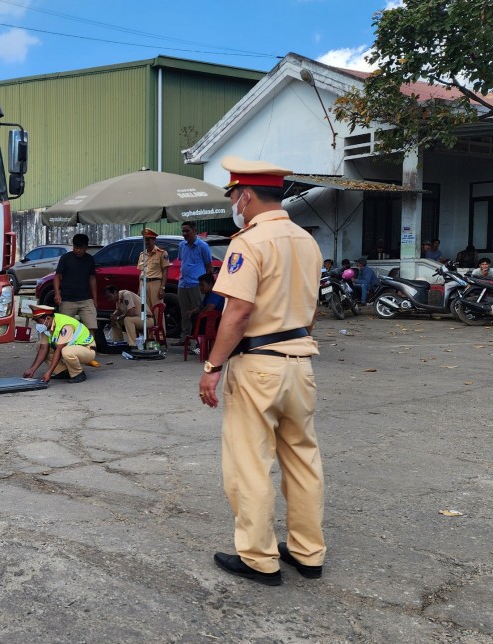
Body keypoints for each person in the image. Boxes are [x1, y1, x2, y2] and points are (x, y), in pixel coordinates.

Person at [198, 156, 325, 587]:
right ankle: (308, 553)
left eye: (234, 195)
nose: (234, 203)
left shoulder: (249, 242)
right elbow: (312, 310)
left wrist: (213, 366)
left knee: (250, 464)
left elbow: (237, 312)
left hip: (258, 366)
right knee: (302, 460)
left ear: (246, 195)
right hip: (299, 363)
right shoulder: (306, 240)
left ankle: (259, 558)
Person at [22, 304, 96, 383]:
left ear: (48, 319)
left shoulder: (65, 325)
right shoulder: (46, 326)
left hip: (87, 349)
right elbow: (43, 348)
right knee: (39, 346)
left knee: (66, 351)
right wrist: (32, 369)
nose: (38, 325)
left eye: (39, 322)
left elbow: (59, 350)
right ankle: (63, 372)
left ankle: (78, 374)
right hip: (71, 348)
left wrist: (49, 372)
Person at [172, 222, 213, 348]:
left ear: (194, 231)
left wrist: (206, 284)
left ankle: (197, 341)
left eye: (187, 231)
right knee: (185, 312)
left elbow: (208, 267)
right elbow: (183, 261)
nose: (185, 234)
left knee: (198, 312)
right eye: (183, 231)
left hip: (197, 284)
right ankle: (185, 337)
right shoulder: (181, 245)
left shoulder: (202, 246)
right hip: (183, 283)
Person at [53, 233, 97, 330]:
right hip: (67, 300)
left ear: (86, 247)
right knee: (65, 329)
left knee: (91, 327)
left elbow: (92, 278)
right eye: (75, 247)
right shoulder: (65, 258)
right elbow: (57, 276)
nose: (78, 250)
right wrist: (57, 294)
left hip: (86, 300)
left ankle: (90, 345)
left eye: (80, 248)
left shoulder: (90, 259)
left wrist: (95, 298)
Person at [136, 227, 170, 318]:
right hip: (143, 284)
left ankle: (160, 332)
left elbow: (165, 271)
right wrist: (139, 289)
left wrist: (162, 287)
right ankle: (148, 332)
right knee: (145, 312)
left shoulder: (162, 253)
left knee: (157, 311)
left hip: (155, 283)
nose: (146, 242)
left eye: (148, 239)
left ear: (154, 240)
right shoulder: (142, 255)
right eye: (145, 240)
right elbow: (141, 273)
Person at [105, 285, 145, 349]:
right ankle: (118, 342)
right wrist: (113, 316)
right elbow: (119, 310)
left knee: (127, 319)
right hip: (136, 318)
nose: (109, 300)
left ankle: (133, 344)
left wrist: (119, 317)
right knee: (115, 320)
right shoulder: (118, 298)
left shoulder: (126, 294)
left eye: (110, 297)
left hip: (146, 319)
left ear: (115, 292)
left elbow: (131, 312)